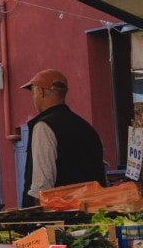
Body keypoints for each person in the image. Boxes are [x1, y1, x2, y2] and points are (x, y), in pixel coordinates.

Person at [21, 69, 107, 207]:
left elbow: (42, 187)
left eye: (33, 93)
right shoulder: (87, 128)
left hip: (60, 213)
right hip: (92, 210)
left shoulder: (44, 127)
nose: (34, 98)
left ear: (40, 92)